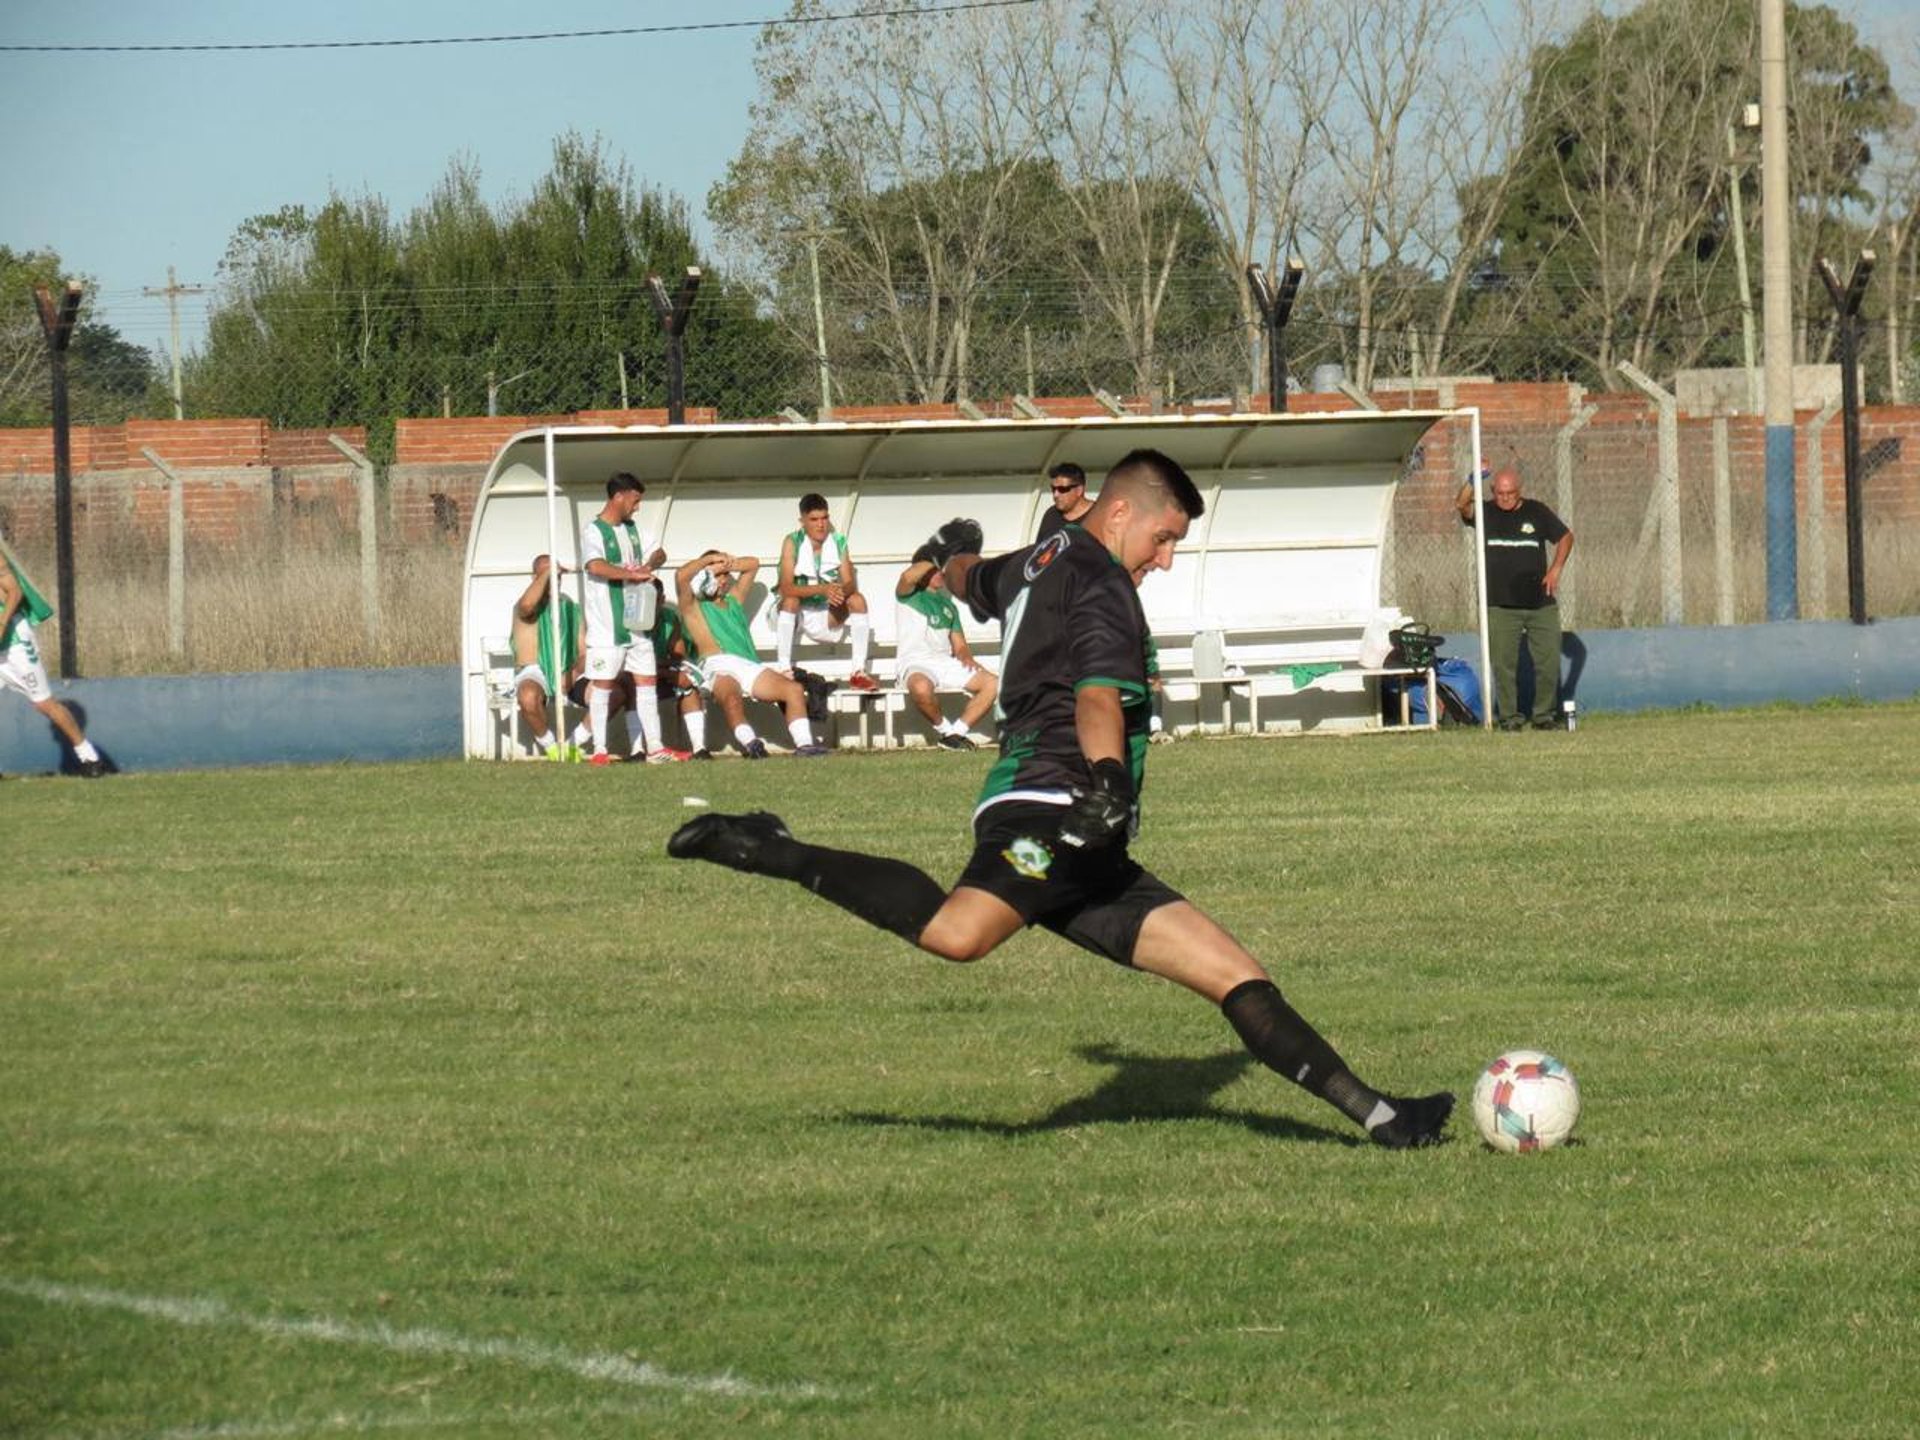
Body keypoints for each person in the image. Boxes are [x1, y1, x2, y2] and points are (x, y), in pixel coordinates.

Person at [670, 449, 1452, 1149]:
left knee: (1234, 974)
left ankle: (1383, 1118)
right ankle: (772, 846)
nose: (1167, 558)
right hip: (1055, 800)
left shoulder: (1041, 557)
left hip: (1089, 834)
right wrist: (1109, 782)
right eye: (1164, 537)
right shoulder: (1104, 583)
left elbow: (970, 578)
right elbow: (1096, 699)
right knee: (957, 933)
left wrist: (949, 558)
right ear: (1120, 515)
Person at [675, 550, 829, 759]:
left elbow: (753, 565)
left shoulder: (733, 601)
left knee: (793, 690)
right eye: (717, 575)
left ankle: (805, 745)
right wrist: (707, 563)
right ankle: (751, 743)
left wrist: (726, 564)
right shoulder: (693, 606)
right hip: (717, 664)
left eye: (724, 576)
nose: (722, 580)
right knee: (731, 698)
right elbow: (681, 576)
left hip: (748, 664)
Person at [1455, 466, 1574, 730]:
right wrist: (1473, 480)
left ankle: (1543, 716)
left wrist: (1555, 569)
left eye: (1510, 493)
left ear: (1519, 492)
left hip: (1540, 603)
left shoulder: (1537, 511)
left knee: (1548, 662)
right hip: (1501, 605)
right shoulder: (1486, 512)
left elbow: (1566, 537)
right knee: (1503, 664)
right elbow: (1461, 504)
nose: (1505, 498)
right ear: (1493, 491)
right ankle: (1509, 718)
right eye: (1500, 493)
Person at [581, 473, 669, 765]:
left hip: (637, 625)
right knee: (603, 686)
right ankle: (600, 750)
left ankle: (655, 748)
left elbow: (660, 551)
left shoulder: (632, 530)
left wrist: (648, 564)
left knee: (647, 682)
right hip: (607, 628)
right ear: (619, 496)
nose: (637, 507)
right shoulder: (594, 531)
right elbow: (595, 566)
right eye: (635, 500)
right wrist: (631, 574)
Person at [1, 546, 107, 777]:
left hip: (14, 643)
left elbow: (15, 593)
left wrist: (2, 624)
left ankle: (89, 757)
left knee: (43, 703)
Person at [894, 549, 998, 749]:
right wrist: (935, 557)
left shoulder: (949, 606)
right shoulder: (907, 595)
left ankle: (956, 733)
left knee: (993, 683)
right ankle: (946, 731)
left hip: (944, 662)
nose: (940, 574)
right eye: (934, 570)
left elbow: (960, 646)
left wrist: (967, 657)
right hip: (915, 662)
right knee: (920, 687)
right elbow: (908, 576)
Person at [775, 493, 876, 690]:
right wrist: (823, 589)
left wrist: (838, 591)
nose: (821, 524)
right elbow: (785, 588)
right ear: (802, 521)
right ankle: (784, 669)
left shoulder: (838, 541)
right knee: (791, 601)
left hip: (824, 612)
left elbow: (849, 583)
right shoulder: (792, 541)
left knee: (857, 599)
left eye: (824, 518)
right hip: (796, 613)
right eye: (814, 519)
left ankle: (858, 672)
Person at [509, 555, 590, 762]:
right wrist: (547, 573)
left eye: (556, 575)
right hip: (535, 671)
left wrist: (574, 672)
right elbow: (528, 605)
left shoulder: (571, 608)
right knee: (528, 696)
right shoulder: (524, 607)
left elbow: (583, 654)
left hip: (567, 671)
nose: (554, 579)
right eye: (547, 575)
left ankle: (574, 744)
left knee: (608, 694)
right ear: (535, 577)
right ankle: (552, 747)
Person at [1034, 462, 1093, 542]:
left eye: (1062, 489)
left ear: (1079, 490)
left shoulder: (1099, 517)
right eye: (1053, 489)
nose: (1056, 495)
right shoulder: (1051, 515)